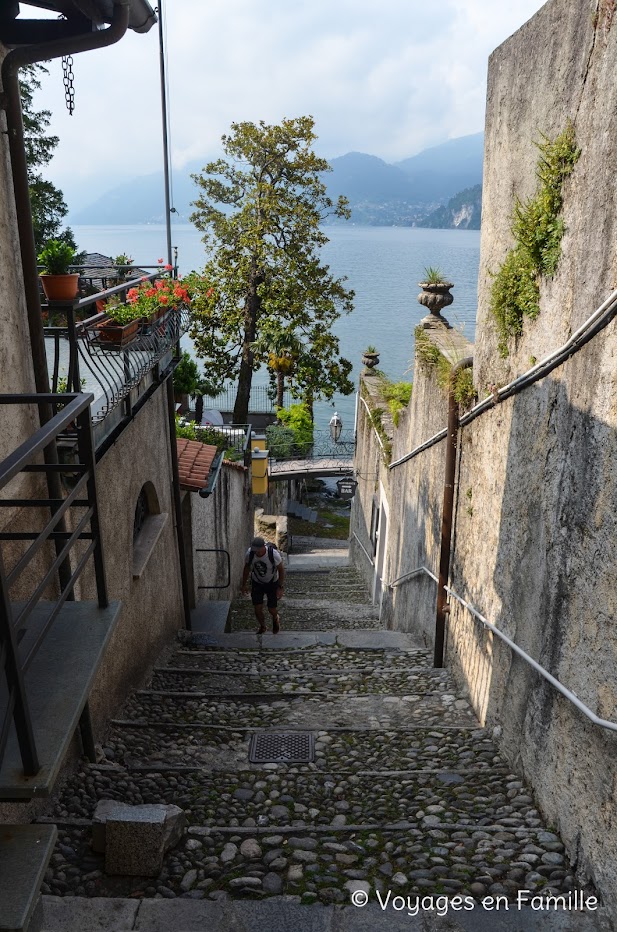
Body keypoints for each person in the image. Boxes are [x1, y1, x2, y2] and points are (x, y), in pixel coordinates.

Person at [241, 536, 285, 634]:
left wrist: (280, 587)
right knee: (257, 608)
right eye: (254, 550)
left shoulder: (273, 554)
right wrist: (243, 585)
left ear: (263, 547)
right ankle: (263, 626)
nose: (256, 552)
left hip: (272, 582)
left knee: (271, 608)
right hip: (257, 582)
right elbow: (247, 568)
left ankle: (275, 617)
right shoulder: (250, 554)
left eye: (258, 550)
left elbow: (281, 570)